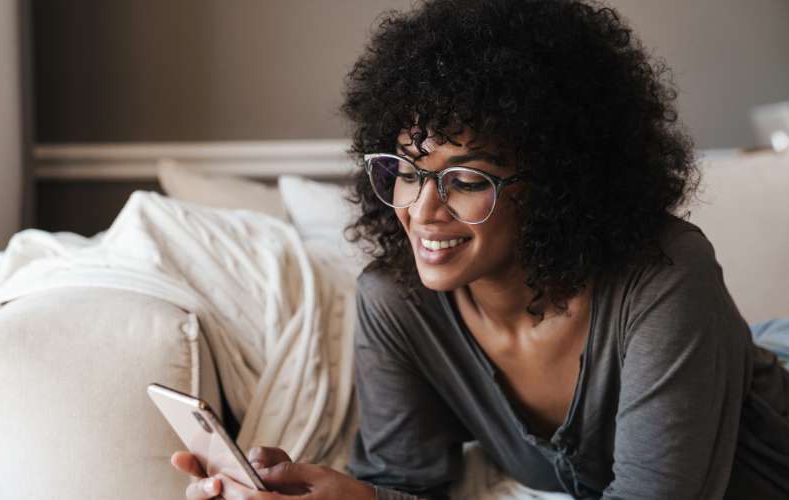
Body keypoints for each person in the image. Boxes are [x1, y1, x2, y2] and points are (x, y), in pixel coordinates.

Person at [171, 0, 789, 498]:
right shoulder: (397, 304)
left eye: (466, 180)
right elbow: (408, 485)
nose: (422, 209)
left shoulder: (664, 278)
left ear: (557, 184)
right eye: (407, 172)